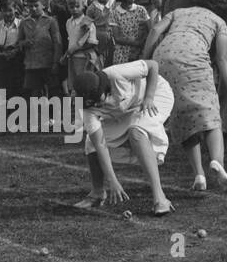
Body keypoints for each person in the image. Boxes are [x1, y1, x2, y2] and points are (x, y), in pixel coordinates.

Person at [141, 0, 227, 193]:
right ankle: (217, 162)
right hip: (193, 57)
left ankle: (199, 174)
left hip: (163, 56)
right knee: (209, 115)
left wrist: (145, 61)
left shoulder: (178, 12)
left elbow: (154, 31)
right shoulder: (219, 22)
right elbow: (223, 59)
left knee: (182, 116)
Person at [72, 60, 175, 216]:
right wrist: (113, 180)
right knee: (90, 143)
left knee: (136, 131)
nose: (96, 106)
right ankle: (97, 193)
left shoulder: (117, 73)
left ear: (103, 88)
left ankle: (160, 197)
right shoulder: (87, 107)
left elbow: (153, 66)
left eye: (96, 100)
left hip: (155, 95)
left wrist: (149, 97)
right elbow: (100, 144)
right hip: (127, 109)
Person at [16, 0, 62, 100]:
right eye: (30, 6)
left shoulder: (51, 21)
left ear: (43, 5)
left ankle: (55, 116)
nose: (33, 8)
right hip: (32, 65)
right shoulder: (24, 23)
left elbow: (58, 43)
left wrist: (56, 62)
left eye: (36, 5)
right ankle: (35, 116)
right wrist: (24, 43)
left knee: (53, 93)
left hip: (48, 63)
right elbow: (18, 43)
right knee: (33, 95)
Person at [62, 0, 99, 94]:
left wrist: (76, 49)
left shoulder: (87, 22)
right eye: (71, 6)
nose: (74, 9)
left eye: (77, 6)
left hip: (84, 58)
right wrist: (68, 53)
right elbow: (71, 40)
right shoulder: (69, 22)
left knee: (84, 83)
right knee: (74, 83)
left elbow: (91, 42)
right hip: (72, 57)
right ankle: (76, 106)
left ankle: (85, 106)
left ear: (83, 5)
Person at [109, 0, 150, 65]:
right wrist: (135, 43)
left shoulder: (141, 10)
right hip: (122, 53)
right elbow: (117, 38)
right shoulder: (115, 13)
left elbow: (149, 29)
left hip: (140, 51)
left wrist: (141, 43)